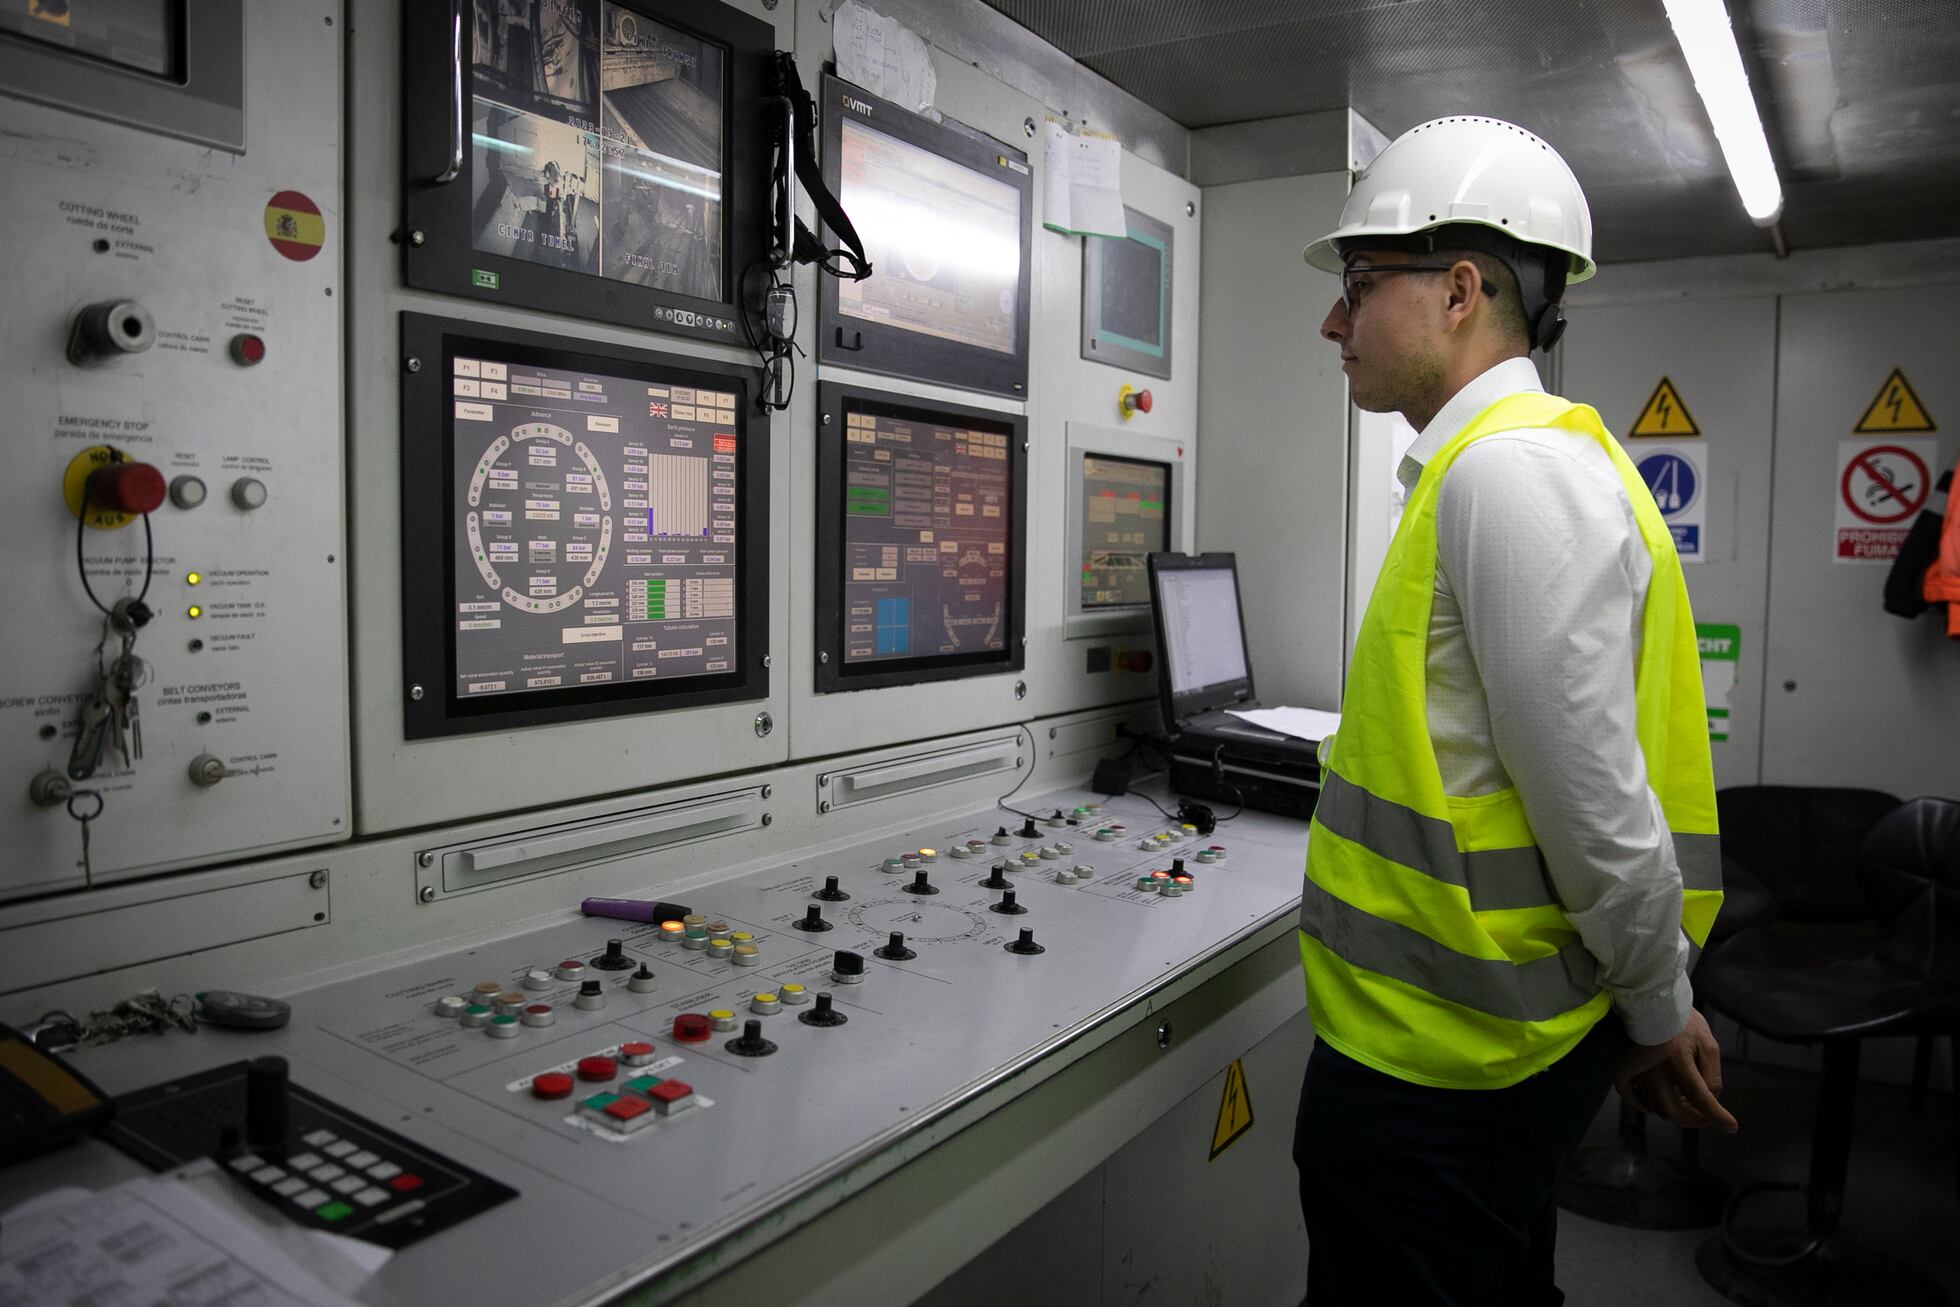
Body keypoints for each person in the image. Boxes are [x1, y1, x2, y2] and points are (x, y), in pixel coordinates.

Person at [1292, 115, 1738, 1305]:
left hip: (1443, 1070)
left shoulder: (1506, 476)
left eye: (1356, 283)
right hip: (1471, 1049)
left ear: (1458, 289)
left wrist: (1658, 1008)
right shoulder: (1504, 466)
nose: (1333, 321)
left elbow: (1595, 801)